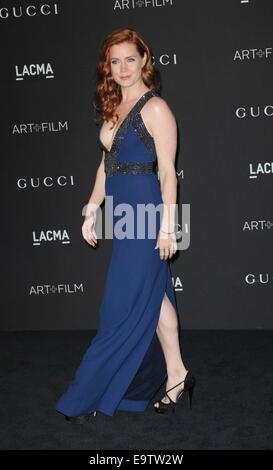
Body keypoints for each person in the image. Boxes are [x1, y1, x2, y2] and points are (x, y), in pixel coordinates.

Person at [55, 27, 196, 424]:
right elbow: (107, 162)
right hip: (123, 212)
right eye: (114, 61)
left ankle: (86, 394)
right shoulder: (113, 104)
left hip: (150, 214)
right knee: (156, 295)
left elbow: (169, 174)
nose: (122, 68)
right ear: (107, 67)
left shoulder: (155, 109)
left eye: (130, 59)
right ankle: (177, 374)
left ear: (145, 60)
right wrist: (91, 209)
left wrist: (169, 228)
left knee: (119, 305)